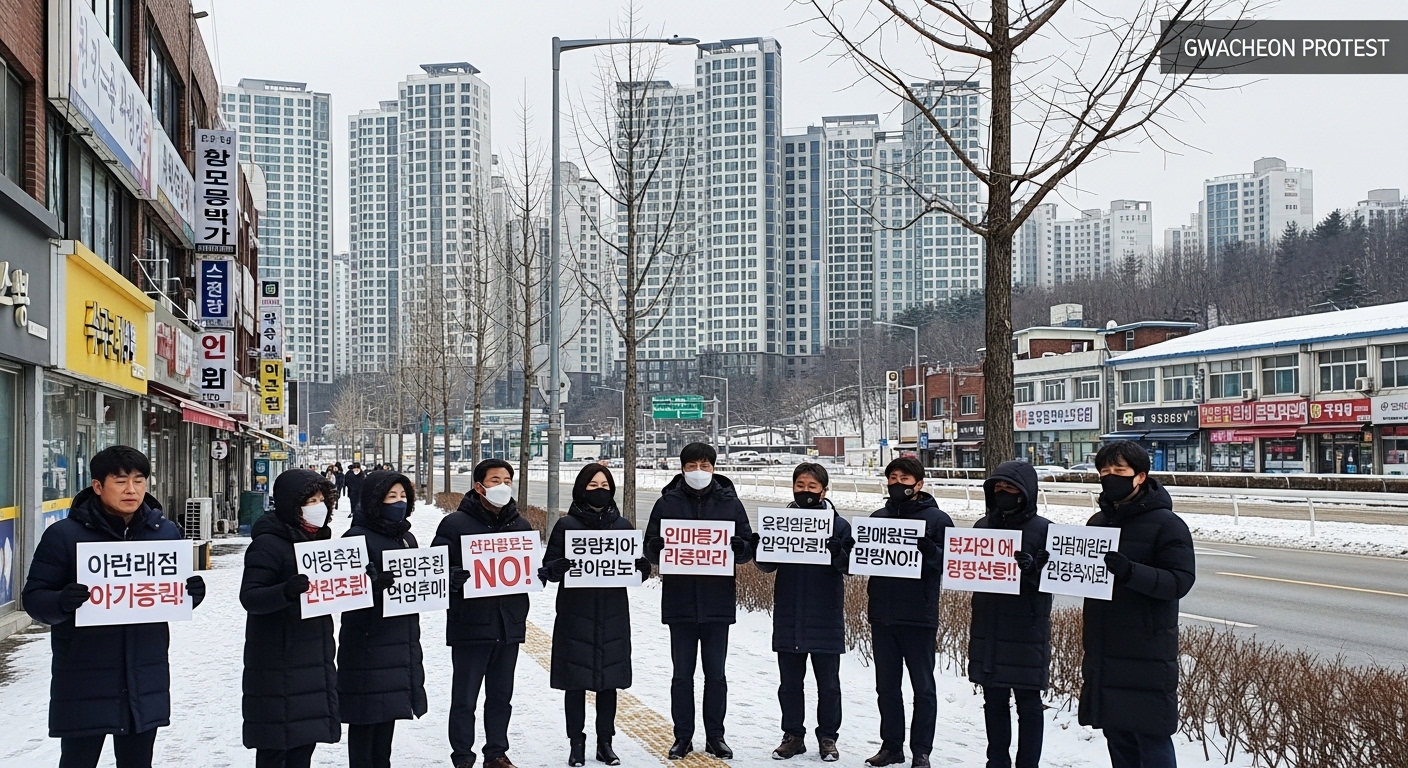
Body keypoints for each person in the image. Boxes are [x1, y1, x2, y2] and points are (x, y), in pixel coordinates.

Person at [22, 446, 206, 768]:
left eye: (138, 480)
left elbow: (170, 596)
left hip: (143, 676)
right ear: (97, 486)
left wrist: (191, 593)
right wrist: (62, 601)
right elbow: (34, 600)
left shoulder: (164, 534)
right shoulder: (64, 536)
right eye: (120, 481)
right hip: (83, 676)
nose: (131, 490)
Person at [1074, 441, 1195, 768]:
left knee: (1151, 739)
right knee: (1118, 738)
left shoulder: (1168, 525)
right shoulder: (1097, 523)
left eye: (1120, 471)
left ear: (1140, 476)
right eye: (1104, 472)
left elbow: (1179, 581)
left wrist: (1131, 572)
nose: (1110, 477)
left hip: (1146, 651)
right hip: (1104, 647)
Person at [643, 442, 756, 760]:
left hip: (717, 603)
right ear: (681, 468)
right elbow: (650, 547)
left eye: (705, 465)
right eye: (692, 465)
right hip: (679, 602)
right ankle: (682, 736)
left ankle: (716, 736)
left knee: (716, 674)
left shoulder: (730, 503)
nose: (698, 472)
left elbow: (748, 546)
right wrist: (657, 546)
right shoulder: (667, 501)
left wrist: (739, 548)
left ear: (715, 468)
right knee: (682, 674)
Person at [539, 464, 650, 767]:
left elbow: (634, 570)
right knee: (575, 682)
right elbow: (547, 568)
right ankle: (576, 743)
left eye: (605, 484)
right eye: (593, 484)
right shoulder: (566, 525)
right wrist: (555, 568)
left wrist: (643, 569)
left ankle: (606, 742)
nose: (600, 489)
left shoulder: (624, 527)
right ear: (580, 488)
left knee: (608, 683)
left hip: (613, 614)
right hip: (575, 613)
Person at [433, 458, 533, 768]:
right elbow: (437, 570)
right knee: (465, 699)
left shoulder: (521, 525)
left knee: (501, 696)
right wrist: (452, 576)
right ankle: (463, 756)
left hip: (508, 624)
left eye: (507, 480)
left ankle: (496, 753)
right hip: (470, 624)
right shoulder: (454, 524)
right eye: (495, 480)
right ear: (479, 486)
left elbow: (528, 571)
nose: (502, 486)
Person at [241, 469, 341, 768]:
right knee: (275, 747)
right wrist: (286, 591)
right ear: (290, 504)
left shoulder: (320, 543)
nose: (318, 507)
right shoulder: (268, 544)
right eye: (311, 500)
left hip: (314, 656)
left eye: (323, 499)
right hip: (277, 661)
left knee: (303, 743)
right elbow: (251, 598)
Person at [755, 463, 853, 762]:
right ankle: (793, 735)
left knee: (829, 684)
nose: (805, 491)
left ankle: (827, 737)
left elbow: (850, 567)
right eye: (800, 485)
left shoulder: (839, 526)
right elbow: (766, 566)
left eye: (812, 487)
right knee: (789, 683)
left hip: (826, 614)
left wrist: (838, 552)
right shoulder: (780, 522)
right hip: (789, 612)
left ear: (824, 490)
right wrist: (760, 547)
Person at [864, 456, 953, 768]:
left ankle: (922, 751)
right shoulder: (877, 518)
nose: (898, 483)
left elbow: (952, 565)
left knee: (923, 688)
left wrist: (932, 552)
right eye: (893, 477)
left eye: (905, 478)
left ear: (919, 484)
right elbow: (861, 561)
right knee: (886, 687)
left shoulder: (938, 520)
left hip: (919, 615)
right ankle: (891, 746)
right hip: (883, 614)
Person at [338, 470, 428, 768]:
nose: (399, 502)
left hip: (400, 640)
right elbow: (343, 592)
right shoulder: (355, 538)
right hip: (367, 643)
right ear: (375, 501)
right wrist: (372, 587)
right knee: (365, 721)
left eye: (404, 496)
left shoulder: (407, 538)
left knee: (388, 717)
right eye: (391, 497)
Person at [969, 461, 1052, 768]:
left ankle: (1028, 764)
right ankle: (997, 761)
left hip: (1026, 629)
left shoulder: (1045, 530)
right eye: (997, 488)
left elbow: (1056, 577)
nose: (1003, 493)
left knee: (1029, 705)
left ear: (1026, 493)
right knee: (993, 702)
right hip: (988, 624)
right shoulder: (982, 527)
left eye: (1010, 488)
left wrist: (1032, 571)